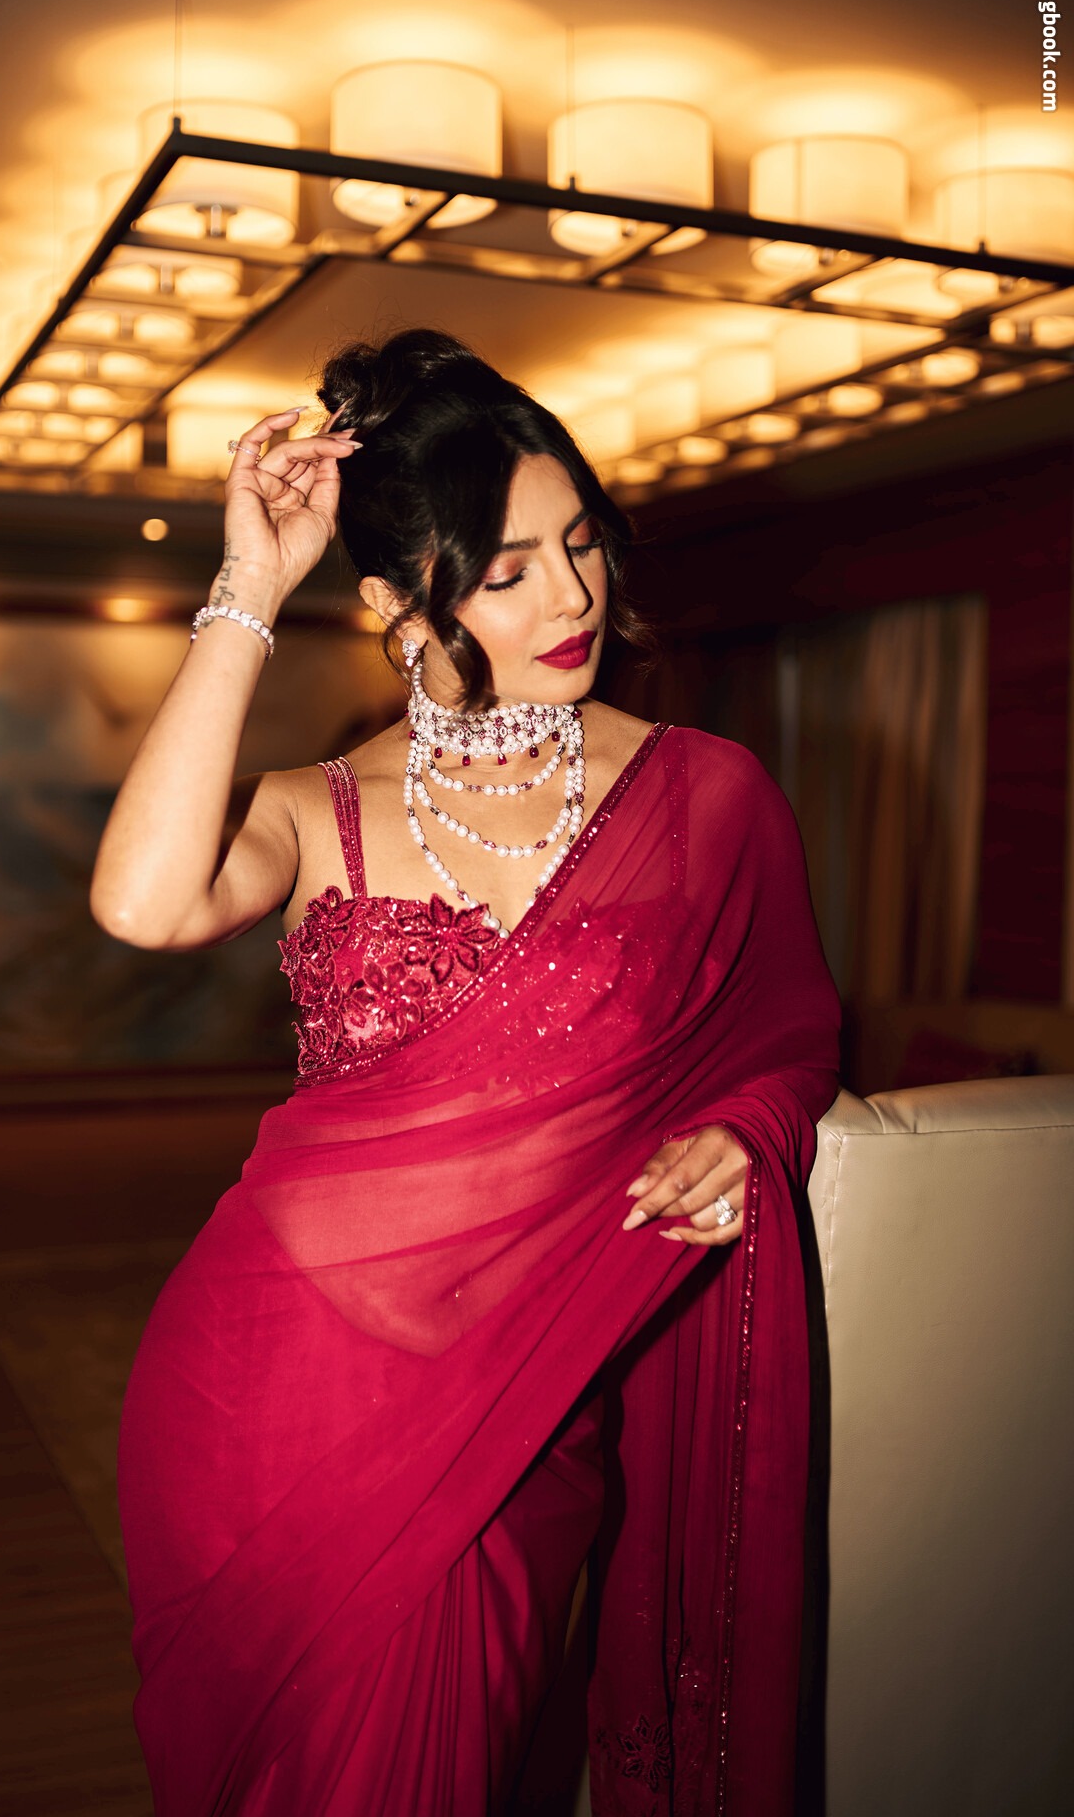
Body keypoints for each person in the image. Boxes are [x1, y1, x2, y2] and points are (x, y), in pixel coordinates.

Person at [93, 330, 840, 1817]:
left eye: (581, 543)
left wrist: (746, 1131)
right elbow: (141, 901)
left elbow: (789, 1034)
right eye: (506, 571)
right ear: (394, 604)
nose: (572, 597)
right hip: (265, 1396)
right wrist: (248, 586)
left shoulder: (702, 798)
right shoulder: (315, 809)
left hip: (517, 1418)